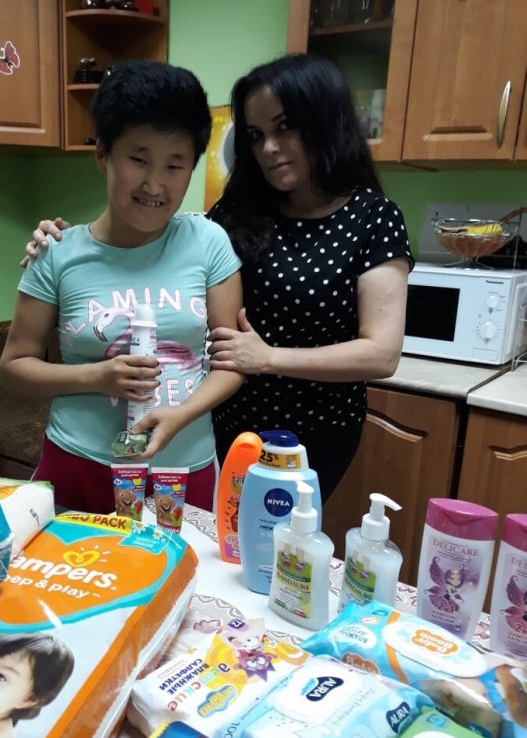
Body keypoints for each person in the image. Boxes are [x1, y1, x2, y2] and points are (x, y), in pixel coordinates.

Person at [21, 53, 413, 502]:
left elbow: (382, 353)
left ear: (325, 122)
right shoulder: (236, 212)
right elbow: (156, 240)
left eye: (285, 127)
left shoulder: (371, 218)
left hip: (309, 426)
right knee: (220, 536)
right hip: (218, 421)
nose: (269, 148)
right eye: (255, 134)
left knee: (278, 535)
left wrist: (267, 358)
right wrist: (60, 242)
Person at [3, 60, 243, 514]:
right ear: (103, 155)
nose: (155, 183)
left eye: (175, 164)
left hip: (180, 469)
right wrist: (96, 376)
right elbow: (13, 367)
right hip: (80, 464)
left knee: (183, 565)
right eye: (138, 159)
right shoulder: (56, 251)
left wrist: (180, 415)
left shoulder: (209, 243)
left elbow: (232, 362)